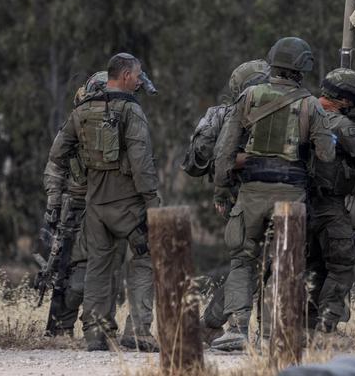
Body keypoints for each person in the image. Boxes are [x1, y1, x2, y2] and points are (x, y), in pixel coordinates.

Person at [210, 37, 335, 352]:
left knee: (242, 258)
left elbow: (225, 150)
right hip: (291, 195)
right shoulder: (311, 105)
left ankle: (237, 328)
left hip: (252, 191)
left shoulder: (249, 96)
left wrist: (222, 190)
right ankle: (271, 335)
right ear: (302, 69)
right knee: (284, 263)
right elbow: (326, 154)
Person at [49, 53, 161, 352]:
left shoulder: (82, 110)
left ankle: (96, 333)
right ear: (125, 76)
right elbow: (141, 161)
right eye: (137, 75)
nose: (139, 81)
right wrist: (153, 201)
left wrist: (84, 172)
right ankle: (137, 331)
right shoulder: (131, 111)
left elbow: (59, 153)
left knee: (98, 265)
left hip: (95, 204)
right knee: (145, 256)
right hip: (128, 204)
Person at [180, 59, 270, 343]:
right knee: (255, 264)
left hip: (236, 197)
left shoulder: (220, 114)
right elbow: (196, 161)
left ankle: (214, 322)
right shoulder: (284, 108)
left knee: (247, 263)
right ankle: (232, 326)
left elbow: (195, 160)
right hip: (256, 194)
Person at [40, 71, 127, 338]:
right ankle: (62, 327)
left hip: (109, 204)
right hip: (77, 205)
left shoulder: (124, 122)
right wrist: (54, 202)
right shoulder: (77, 122)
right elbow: (55, 164)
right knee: (73, 270)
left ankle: (100, 326)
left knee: (110, 267)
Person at [307, 68, 355, 334]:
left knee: (313, 266)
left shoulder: (302, 112)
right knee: (342, 266)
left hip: (298, 204)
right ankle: (325, 325)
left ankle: (305, 325)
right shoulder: (341, 125)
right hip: (329, 207)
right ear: (344, 100)